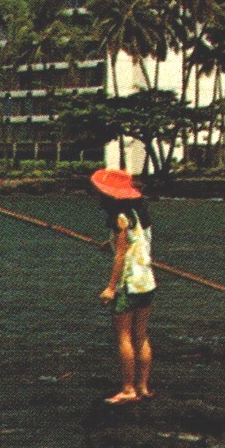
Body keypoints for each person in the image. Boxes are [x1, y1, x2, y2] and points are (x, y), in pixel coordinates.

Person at [90, 168, 156, 405]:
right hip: (147, 281)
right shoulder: (139, 215)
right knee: (141, 335)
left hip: (128, 284)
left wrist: (110, 287)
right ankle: (143, 387)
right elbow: (134, 240)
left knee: (124, 336)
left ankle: (128, 389)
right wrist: (109, 242)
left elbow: (121, 256)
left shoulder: (118, 217)